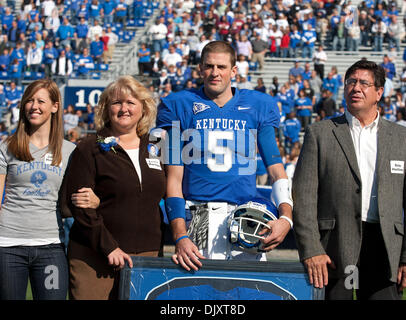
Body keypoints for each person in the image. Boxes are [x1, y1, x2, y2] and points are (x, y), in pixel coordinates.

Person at [156, 41, 293, 271]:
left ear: (234, 71)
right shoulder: (177, 105)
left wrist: (286, 218)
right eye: (209, 66)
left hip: (245, 217)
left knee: (245, 292)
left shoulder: (258, 105)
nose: (215, 72)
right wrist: (180, 235)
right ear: (200, 68)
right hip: (197, 214)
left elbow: (276, 169)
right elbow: (173, 178)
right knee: (197, 294)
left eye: (221, 66)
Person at [292, 60, 406, 300]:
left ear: (379, 93)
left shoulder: (401, 138)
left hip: (385, 247)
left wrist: (405, 256)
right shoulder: (320, 133)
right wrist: (311, 248)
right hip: (333, 249)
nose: (356, 88)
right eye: (351, 82)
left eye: (364, 83)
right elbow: (303, 197)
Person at [60, 75, 166, 300]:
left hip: (146, 256)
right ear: (106, 109)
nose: (124, 108)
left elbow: (167, 194)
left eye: (130, 102)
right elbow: (78, 205)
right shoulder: (89, 147)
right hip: (95, 257)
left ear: (144, 108)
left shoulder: (156, 147)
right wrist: (109, 247)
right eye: (116, 103)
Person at [0, 79, 76, 300]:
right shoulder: (7, 147)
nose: (34, 106)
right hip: (8, 246)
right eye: (29, 101)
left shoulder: (70, 151)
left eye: (41, 101)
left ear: (55, 106)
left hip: (50, 247)